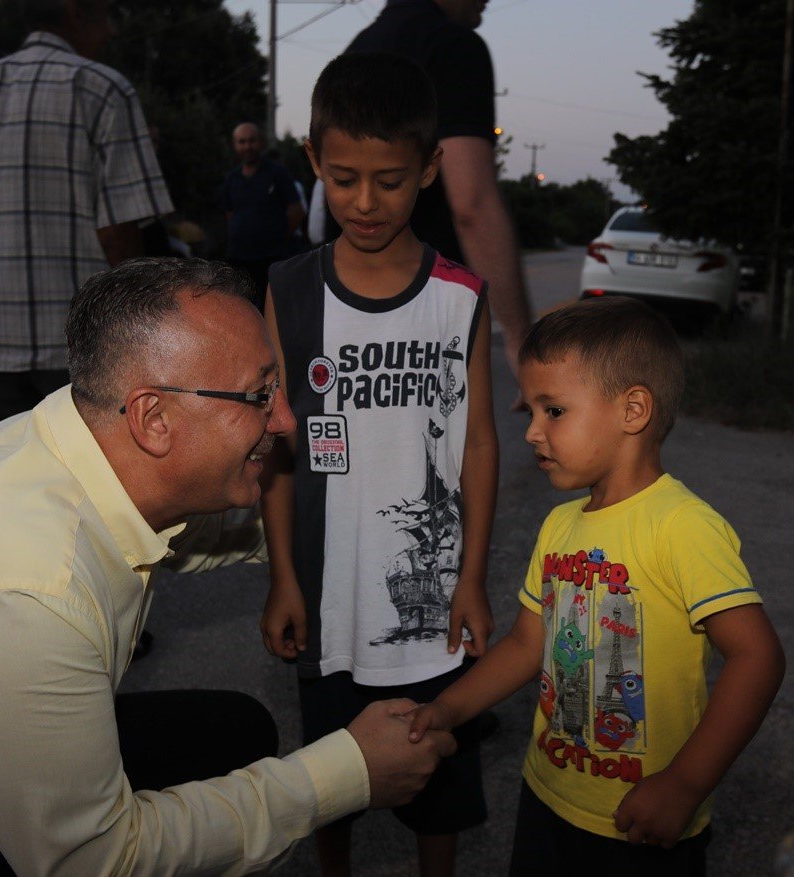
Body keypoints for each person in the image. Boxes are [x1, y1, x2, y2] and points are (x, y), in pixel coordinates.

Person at [0, 257, 457, 876]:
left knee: (235, 732)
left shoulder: (76, 440)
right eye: (260, 394)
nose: (285, 420)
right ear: (153, 419)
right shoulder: (25, 595)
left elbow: (205, 534)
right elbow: (98, 863)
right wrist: (346, 774)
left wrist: (359, 531)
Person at [407, 296, 786, 874]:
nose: (532, 432)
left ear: (632, 410)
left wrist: (684, 784)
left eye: (553, 410)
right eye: (531, 410)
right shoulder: (560, 525)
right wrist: (448, 708)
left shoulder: (682, 526)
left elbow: (758, 658)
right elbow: (525, 646)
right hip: (547, 795)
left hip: (643, 819)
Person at [258, 53, 498, 877]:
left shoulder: (461, 296)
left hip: (436, 609)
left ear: (429, 168)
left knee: (442, 781)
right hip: (330, 600)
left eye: (390, 180)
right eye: (345, 178)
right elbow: (277, 447)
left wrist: (473, 577)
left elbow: (478, 444)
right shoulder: (290, 290)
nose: (366, 201)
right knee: (335, 779)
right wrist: (282, 576)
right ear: (314, 161)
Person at [0, 0, 172, 442]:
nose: (111, 32)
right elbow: (118, 231)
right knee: (82, 476)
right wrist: (140, 332)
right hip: (82, 349)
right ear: (76, 12)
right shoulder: (102, 89)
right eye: (107, 16)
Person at [346, 0, 534, 380]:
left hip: (348, 312)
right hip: (425, 319)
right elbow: (472, 205)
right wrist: (521, 340)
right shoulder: (452, 46)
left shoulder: (356, 52)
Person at [222, 122, 306, 302]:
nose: (247, 146)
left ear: (260, 142)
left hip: (271, 259)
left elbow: (296, 211)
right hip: (239, 259)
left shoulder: (278, 173)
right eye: (242, 142)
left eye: (251, 141)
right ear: (235, 145)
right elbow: (230, 214)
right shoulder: (231, 179)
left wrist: (276, 237)